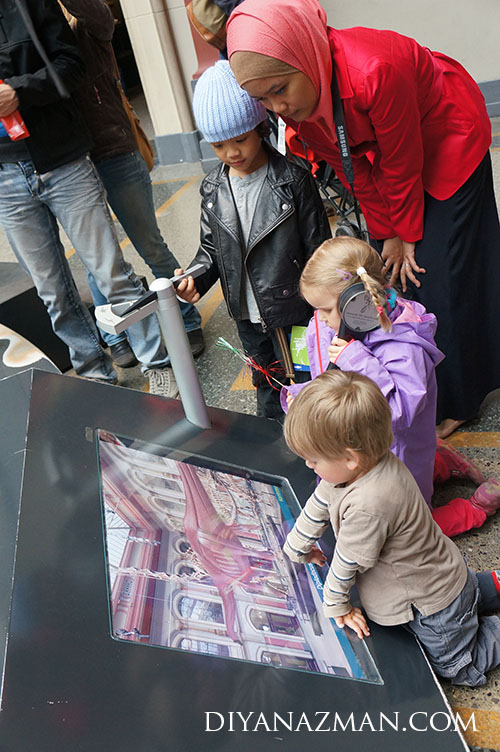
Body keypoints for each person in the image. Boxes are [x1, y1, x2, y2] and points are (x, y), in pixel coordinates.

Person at [226, 0, 500, 439]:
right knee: (401, 271)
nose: (277, 106)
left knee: (445, 268)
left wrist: (407, 233)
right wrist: (388, 233)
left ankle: (462, 395)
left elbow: (401, 160)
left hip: (448, 134)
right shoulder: (303, 102)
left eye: (280, 89)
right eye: (263, 99)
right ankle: (427, 377)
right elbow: (359, 172)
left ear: (305, 56)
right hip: (393, 156)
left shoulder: (374, 69)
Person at [283, 370, 500, 686]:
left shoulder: (371, 503)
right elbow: (321, 502)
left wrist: (336, 605)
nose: (308, 466)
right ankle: (490, 585)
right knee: (466, 599)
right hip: (445, 578)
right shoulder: (361, 466)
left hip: (432, 607)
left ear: (349, 459)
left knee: (458, 667)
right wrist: (297, 545)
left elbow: (348, 561)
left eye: (313, 460)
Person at [0, 0, 174, 394]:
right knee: (52, 293)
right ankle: (95, 375)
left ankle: (158, 364)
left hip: (64, 162)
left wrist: (20, 92)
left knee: (112, 273)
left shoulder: (29, 6)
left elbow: (71, 65)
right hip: (6, 177)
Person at [283, 236, 500, 538]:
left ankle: (475, 508)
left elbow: (399, 412)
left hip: (396, 459)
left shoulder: (405, 346)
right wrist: (302, 397)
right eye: (316, 309)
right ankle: (442, 463)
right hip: (351, 454)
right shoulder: (324, 326)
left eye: (327, 310)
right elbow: (325, 382)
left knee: (404, 532)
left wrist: (357, 360)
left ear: (359, 303)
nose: (320, 319)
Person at [175, 60, 331, 419]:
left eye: (241, 139)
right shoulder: (213, 188)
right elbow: (212, 248)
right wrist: (195, 277)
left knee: (309, 378)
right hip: (247, 317)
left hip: (295, 309)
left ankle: (318, 446)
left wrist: (324, 307)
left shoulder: (293, 181)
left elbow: (319, 249)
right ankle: (273, 450)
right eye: (218, 146)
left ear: (260, 126)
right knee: (265, 383)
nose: (232, 153)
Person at [58, 0, 205, 377]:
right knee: (97, 257)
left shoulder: (89, 22)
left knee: (150, 243)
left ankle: (186, 319)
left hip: (115, 150)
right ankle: (117, 336)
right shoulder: (41, 39)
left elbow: (102, 19)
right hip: (72, 163)